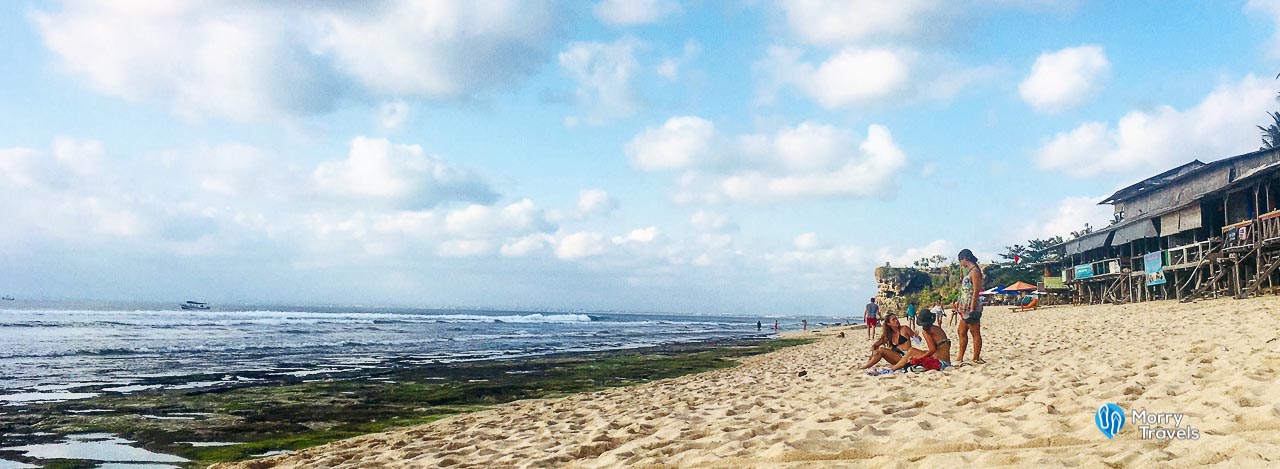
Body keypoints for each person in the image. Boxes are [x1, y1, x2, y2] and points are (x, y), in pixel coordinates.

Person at [887, 310, 951, 371]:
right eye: (893, 320)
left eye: (896, 319)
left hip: (940, 362)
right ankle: (895, 366)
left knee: (911, 351)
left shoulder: (924, 331)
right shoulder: (938, 329)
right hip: (947, 361)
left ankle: (894, 368)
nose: (896, 321)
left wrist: (918, 358)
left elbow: (931, 349)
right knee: (918, 351)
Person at [955, 249, 985, 364]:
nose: (960, 263)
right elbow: (965, 290)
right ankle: (960, 357)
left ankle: (976, 357)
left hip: (971, 306)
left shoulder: (974, 272)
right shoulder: (970, 271)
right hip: (965, 306)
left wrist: (972, 307)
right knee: (961, 331)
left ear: (964, 259)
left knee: (975, 332)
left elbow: (976, 290)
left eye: (960, 260)